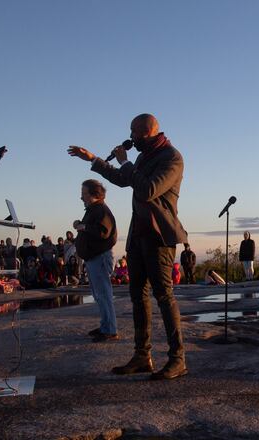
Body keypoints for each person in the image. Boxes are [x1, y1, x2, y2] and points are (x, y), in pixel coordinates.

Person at [69, 113, 188, 380]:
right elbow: (124, 180)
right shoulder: (145, 157)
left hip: (159, 237)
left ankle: (177, 359)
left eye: (134, 133)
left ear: (147, 132)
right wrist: (94, 160)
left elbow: (148, 190)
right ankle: (141, 355)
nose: (131, 138)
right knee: (138, 296)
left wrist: (126, 162)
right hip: (138, 237)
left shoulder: (172, 157)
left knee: (164, 296)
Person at [74, 179, 119, 342]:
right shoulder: (95, 209)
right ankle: (106, 326)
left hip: (99, 257)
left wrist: (84, 227)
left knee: (103, 294)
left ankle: (110, 330)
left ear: (93, 194)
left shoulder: (100, 209)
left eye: (83, 194)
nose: (81, 197)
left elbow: (104, 231)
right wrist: (82, 225)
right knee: (99, 294)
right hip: (94, 257)